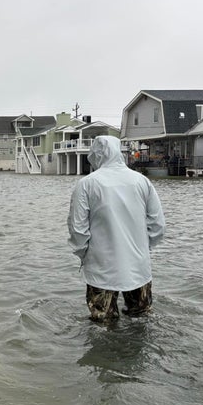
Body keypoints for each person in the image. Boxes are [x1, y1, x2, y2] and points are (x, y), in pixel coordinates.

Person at [67, 136, 165, 322]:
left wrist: (84, 256)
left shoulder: (87, 184)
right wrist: (143, 249)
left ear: (95, 157)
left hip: (101, 269)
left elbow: (78, 230)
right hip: (138, 268)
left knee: (103, 327)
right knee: (141, 323)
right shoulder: (142, 181)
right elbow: (158, 225)